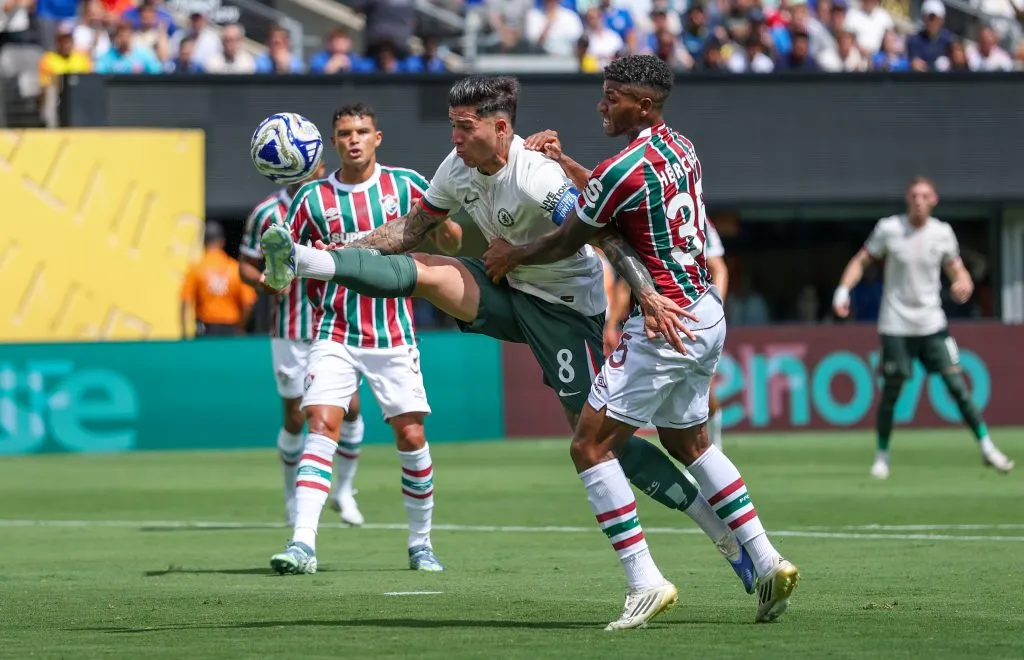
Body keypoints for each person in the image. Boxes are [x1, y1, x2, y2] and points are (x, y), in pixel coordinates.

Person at [260, 76, 757, 594]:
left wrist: (647, 295)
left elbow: (603, 235)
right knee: (426, 270)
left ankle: (723, 537)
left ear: (500, 128)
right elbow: (409, 229)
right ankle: (301, 259)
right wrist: (342, 252)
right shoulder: (456, 168)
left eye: (464, 127)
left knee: (604, 444)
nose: (454, 138)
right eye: (452, 126)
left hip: (565, 313)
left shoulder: (538, 177)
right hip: (507, 287)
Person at [480, 55, 798, 629]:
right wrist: (566, 162)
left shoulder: (620, 168)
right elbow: (607, 201)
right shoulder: (681, 146)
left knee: (589, 448)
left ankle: (643, 581)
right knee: (690, 442)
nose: (602, 104)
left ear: (642, 104)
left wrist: (512, 254)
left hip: (660, 324)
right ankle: (767, 558)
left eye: (613, 96)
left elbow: (568, 238)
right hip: (703, 311)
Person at [265, 103, 452, 574]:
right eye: (345, 133)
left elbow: (448, 241)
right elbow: (281, 276)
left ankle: (421, 543)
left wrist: (444, 223)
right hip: (334, 331)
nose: (354, 140)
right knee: (323, 423)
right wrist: (277, 264)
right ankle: (302, 543)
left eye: (362, 131)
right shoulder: (310, 200)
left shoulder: (406, 185)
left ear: (378, 137)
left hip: (393, 333)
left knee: (410, 435)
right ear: (332, 141)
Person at [833, 176, 1014, 479]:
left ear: (934, 200)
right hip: (895, 325)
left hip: (932, 324)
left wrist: (964, 284)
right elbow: (861, 261)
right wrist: (842, 289)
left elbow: (959, 272)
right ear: (907, 199)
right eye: (914, 195)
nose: (918, 200)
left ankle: (986, 446)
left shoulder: (942, 233)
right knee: (891, 392)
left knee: (957, 386)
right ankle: (882, 455)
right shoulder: (889, 229)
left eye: (924, 195)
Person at [238, 163, 368, 527]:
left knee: (352, 408)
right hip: (289, 326)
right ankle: (293, 497)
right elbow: (246, 266)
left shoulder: (335, 202)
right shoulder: (267, 211)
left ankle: (344, 489)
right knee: (296, 416)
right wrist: (263, 278)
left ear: (321, 165)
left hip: (335, 321)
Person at [180, 222, 256, 338]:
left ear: (204, 243)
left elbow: (185, 301)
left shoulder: (196, 268)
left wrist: (184, 334)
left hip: (206, 329)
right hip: (231, 328)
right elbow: (249, 303)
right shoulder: (235, 268)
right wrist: (240, 327)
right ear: (222, 242)